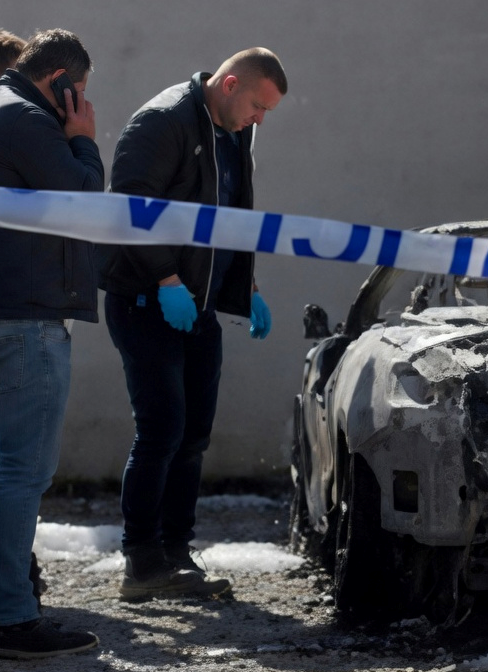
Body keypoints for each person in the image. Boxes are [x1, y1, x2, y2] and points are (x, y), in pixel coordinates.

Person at [0, 28, 101, 660]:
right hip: (23, 319)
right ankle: (10, 617)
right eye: (79, 92)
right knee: (22, 472)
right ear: (59, 80)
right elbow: (86, 198)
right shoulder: (29, 122)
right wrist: (83, 139)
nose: (82, 104)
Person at [101, 47, 286, 600]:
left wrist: (244, 285)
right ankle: (141, 562)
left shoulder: (234, 132)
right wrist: (165, 282)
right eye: (257, 105)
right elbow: (132, 208)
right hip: (147, 301)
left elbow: (224, 217)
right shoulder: (164, 122)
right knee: (162, 430)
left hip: (198, 304)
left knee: (193, 435)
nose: (260, 119)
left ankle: (177, 553)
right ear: (229, 84)